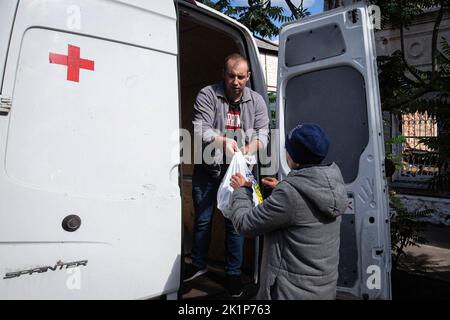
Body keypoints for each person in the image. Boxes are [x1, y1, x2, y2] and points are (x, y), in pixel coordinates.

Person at [229, 123, 348, 299]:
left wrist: (241, 190)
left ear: (294, 158)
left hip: (289, 292)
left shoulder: (290, 195)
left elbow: (245, 224)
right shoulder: (333, 181)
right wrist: (281, 186)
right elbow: (304, 208)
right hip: (322, 290)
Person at [184, 53, 269, 298]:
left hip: (238, 172)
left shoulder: (257, 102)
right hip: (209, 168)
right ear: (223, 74)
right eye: (231, 75)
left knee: (235, 222)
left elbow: (263, 135)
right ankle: (198, 265)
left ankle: (233, 274)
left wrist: (248, 149)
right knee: (203, 220)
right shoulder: (208, 95)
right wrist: (222, 142)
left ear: (248, 77)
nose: (236, 82)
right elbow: (200, 128)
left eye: (241, 77)